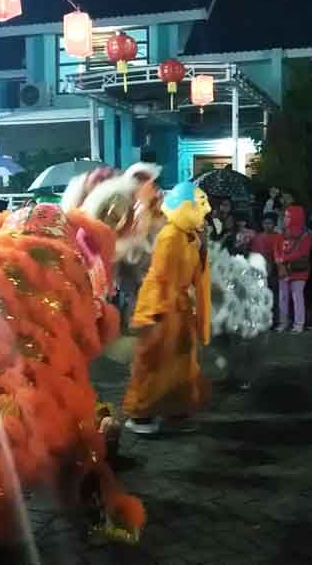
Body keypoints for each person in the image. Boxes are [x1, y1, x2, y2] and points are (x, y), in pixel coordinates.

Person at [123, 182, 211, 435]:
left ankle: (176, 412)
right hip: (161, 308)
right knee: (154, 362)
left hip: (179, 308)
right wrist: (162, 312)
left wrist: (202, 247)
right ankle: (141, 414)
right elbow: (163, 277)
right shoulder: (170, 236)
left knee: (182, 363)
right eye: (201, 204)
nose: (207, 210)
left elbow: (194, 271)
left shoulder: (190, 237)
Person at [274, 205, 312, 333]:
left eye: (288, 216)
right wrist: (280, 261)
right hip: (284, 268)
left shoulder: (305, 234)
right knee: (283, 297)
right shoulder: (281, 232)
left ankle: (298, 324)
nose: (285, 218)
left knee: (297, 296)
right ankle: (283, 322)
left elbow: (304, 252)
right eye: (285, 216)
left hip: (298, 269)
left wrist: (285, 259)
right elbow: (276, 249)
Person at [251, 212, 282, 325]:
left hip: (275, 270)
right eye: (265, 223)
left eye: (270, 223)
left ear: (274, 224)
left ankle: (275, 321)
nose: (267, 225)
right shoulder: (257, 237)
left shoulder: (279, 237)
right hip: (260, 271)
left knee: (275, 297)